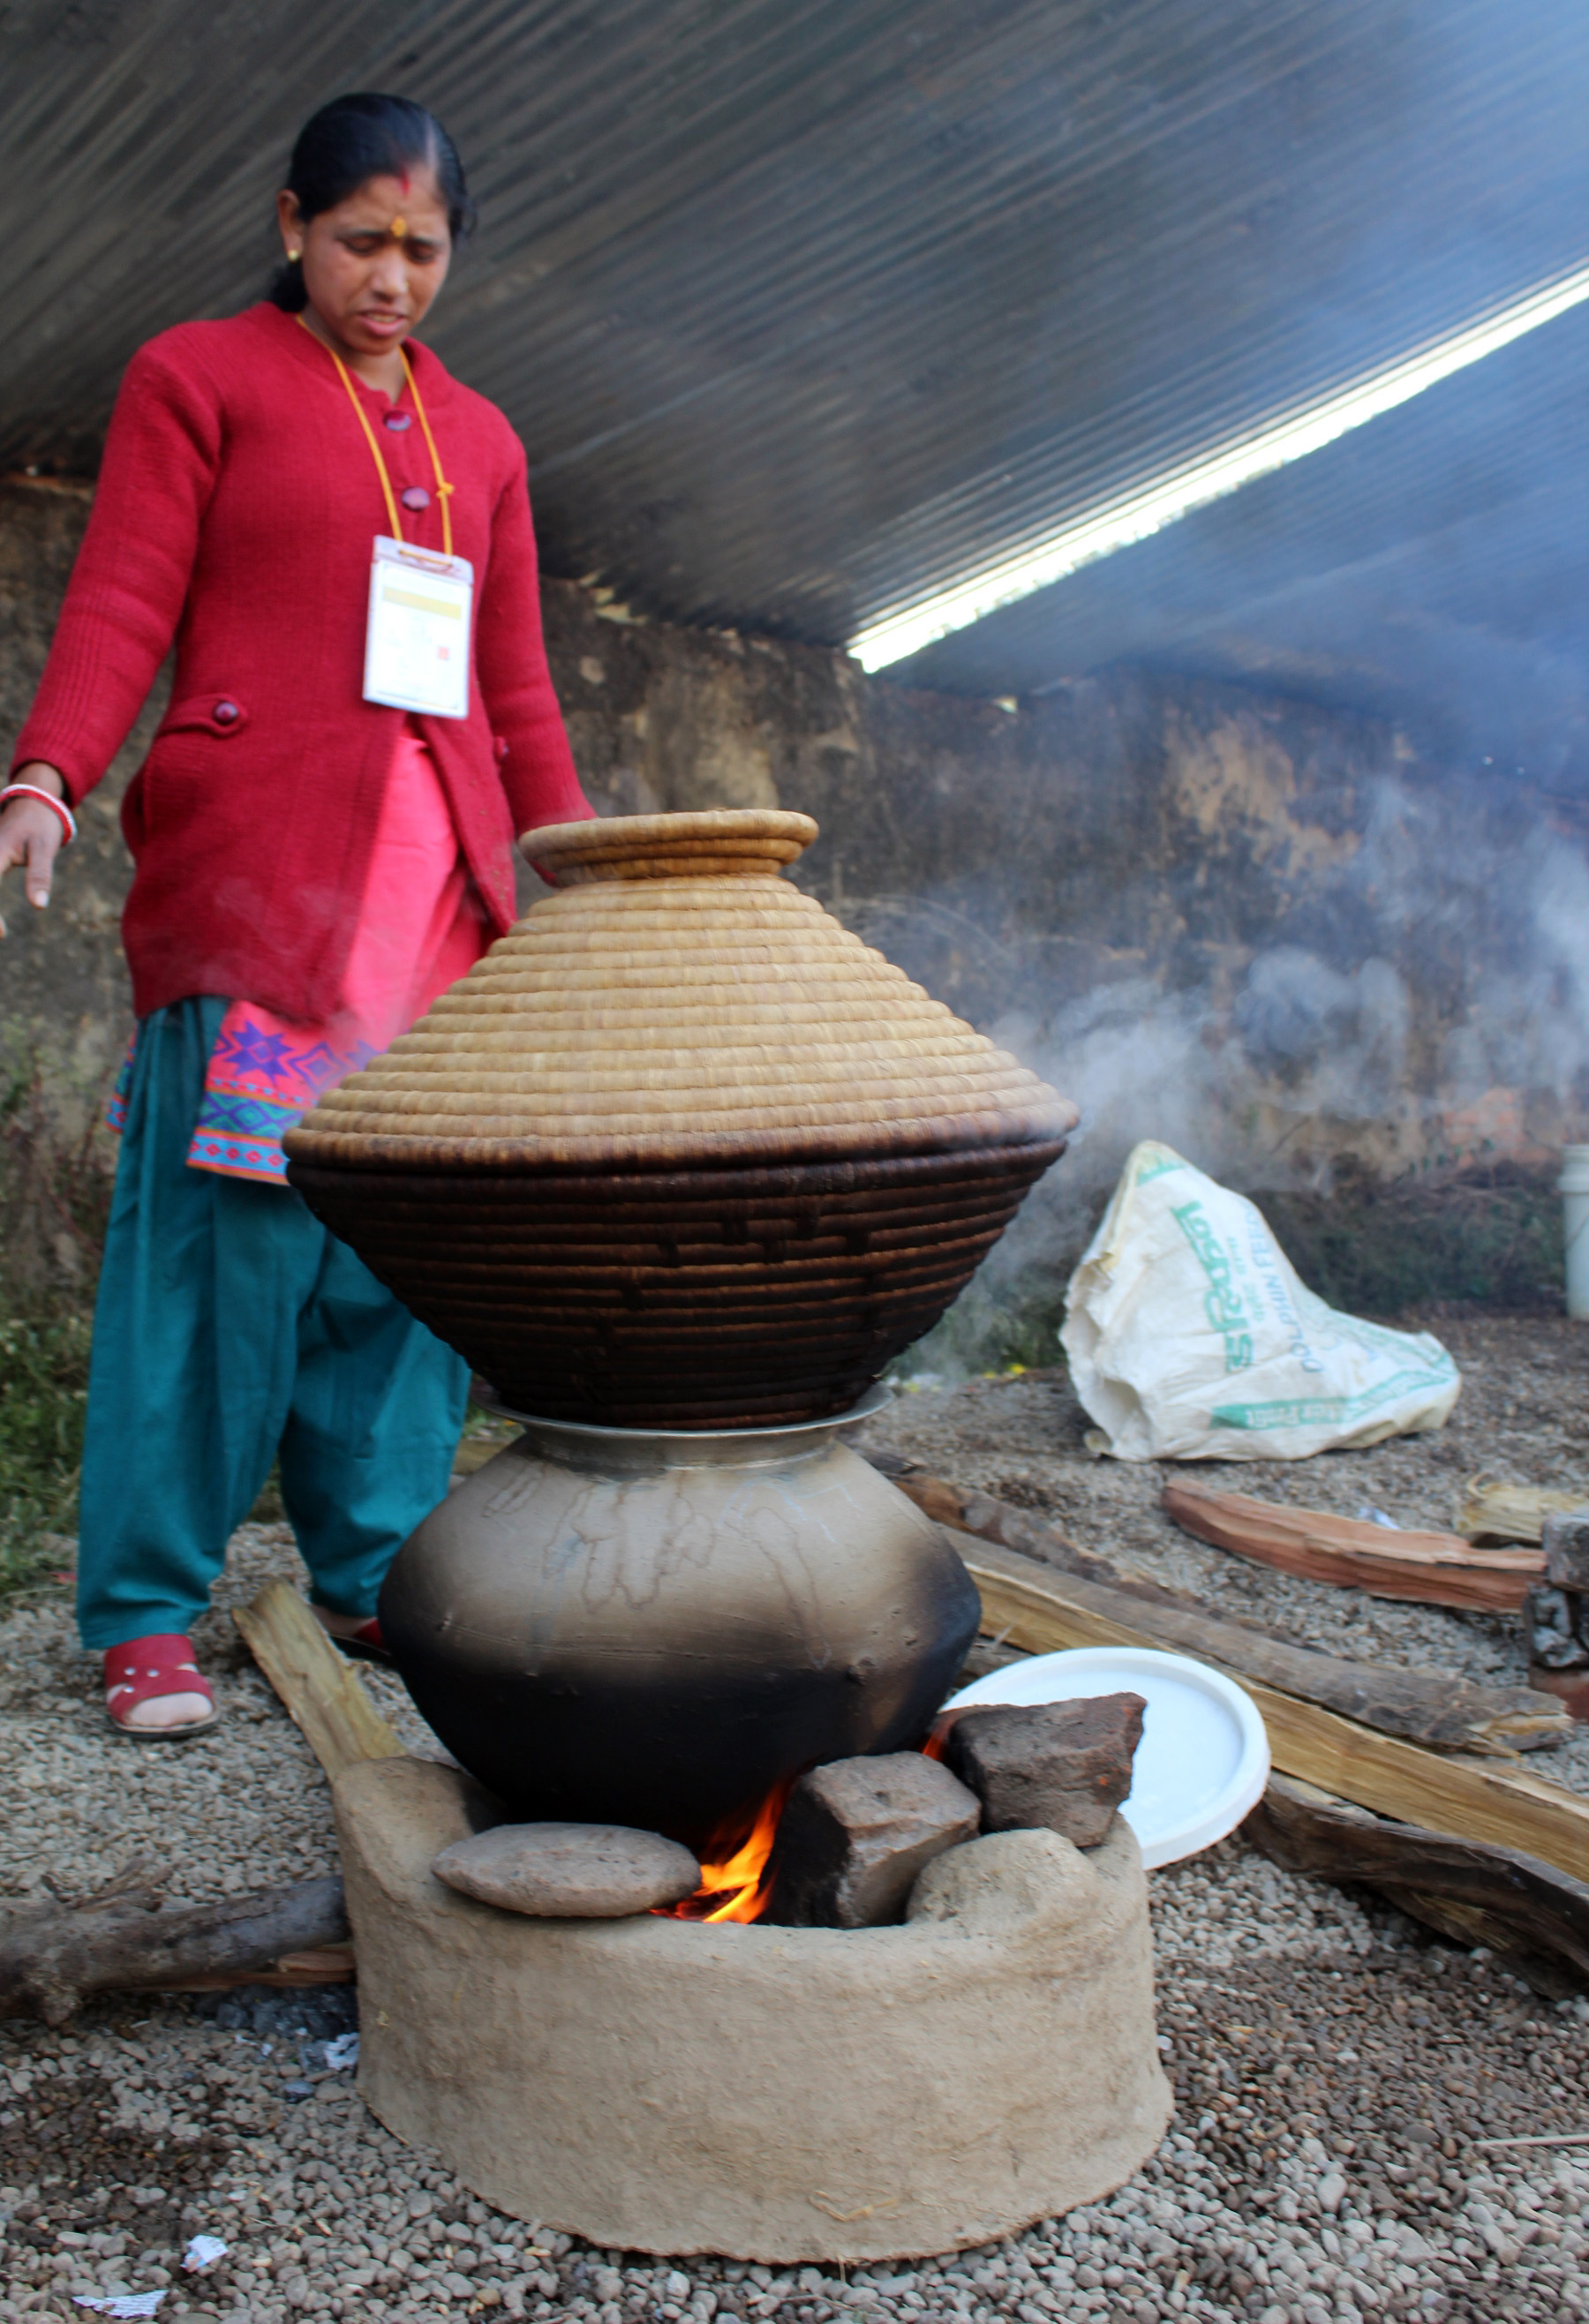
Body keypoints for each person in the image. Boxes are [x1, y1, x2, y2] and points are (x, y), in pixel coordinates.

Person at [0, 93, 591, 1738]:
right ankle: (140, 1614)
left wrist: (600, 875)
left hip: (439, 924)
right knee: (216, 1266)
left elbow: (518, 688)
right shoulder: (197, 379)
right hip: (262, 899)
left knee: (393, 1274)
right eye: (360, 242)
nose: (392, 277)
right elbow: (123, 594)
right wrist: (47, 769)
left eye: (422, 248)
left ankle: (373, 1567)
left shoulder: (485, 443)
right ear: (289, 227)